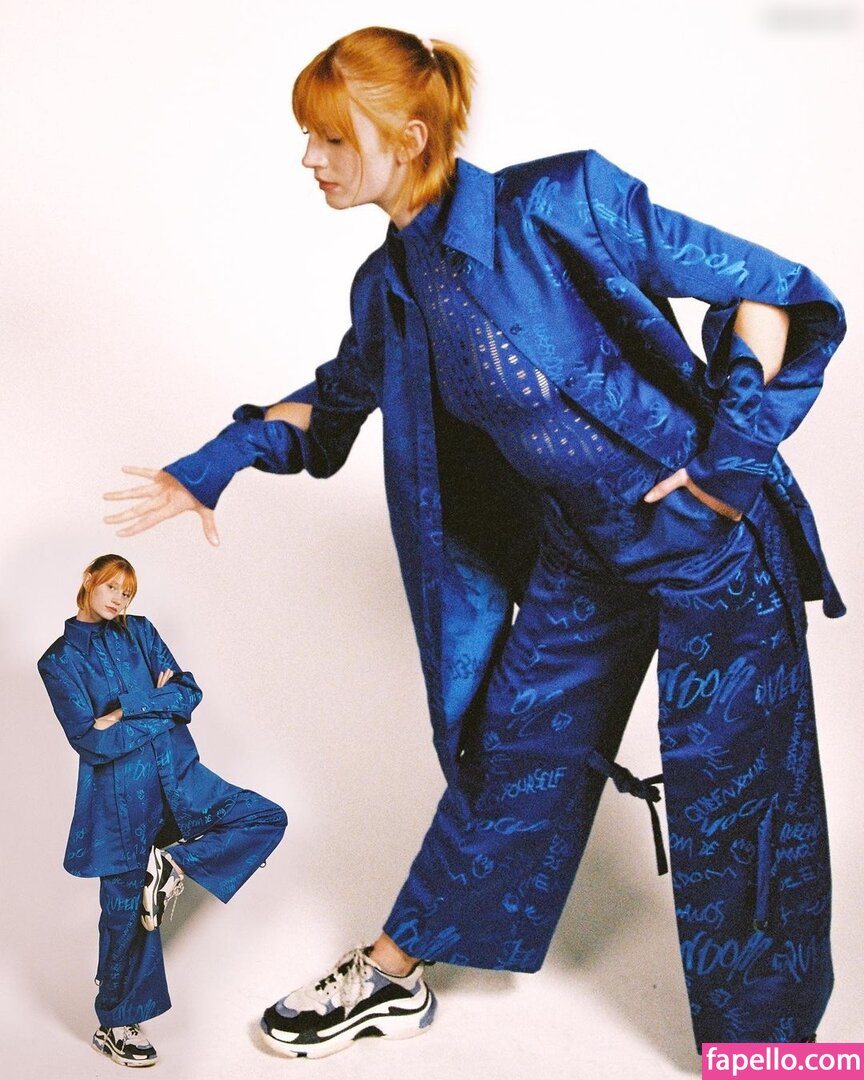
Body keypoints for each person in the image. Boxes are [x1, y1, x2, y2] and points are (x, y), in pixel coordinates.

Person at [102, 26, 845, 1058]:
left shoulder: (562, 203)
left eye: (331, 137)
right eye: (308, 137)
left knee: (739, 800)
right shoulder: (393, 288)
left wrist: (729, 463)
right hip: (586, 555)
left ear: (408, 138)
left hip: (711, 548)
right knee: (512, 757)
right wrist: (211, 464)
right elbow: (334, 405)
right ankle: (392, 973)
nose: (310, 158)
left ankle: (771, 1053)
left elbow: (767, 286)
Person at [38, 554, 288, 1067]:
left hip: (182, 779)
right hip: (121, 800)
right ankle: (116, 1023)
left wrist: (125, 709)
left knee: (264, 816)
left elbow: (188, 693)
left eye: (127, 593)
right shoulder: (58, 661)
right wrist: (157, 702)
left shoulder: (142, 633)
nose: (119, 600)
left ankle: (172, 865)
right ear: (89, 581)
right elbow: (91, 742)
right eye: (112, 587)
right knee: (123, 915)